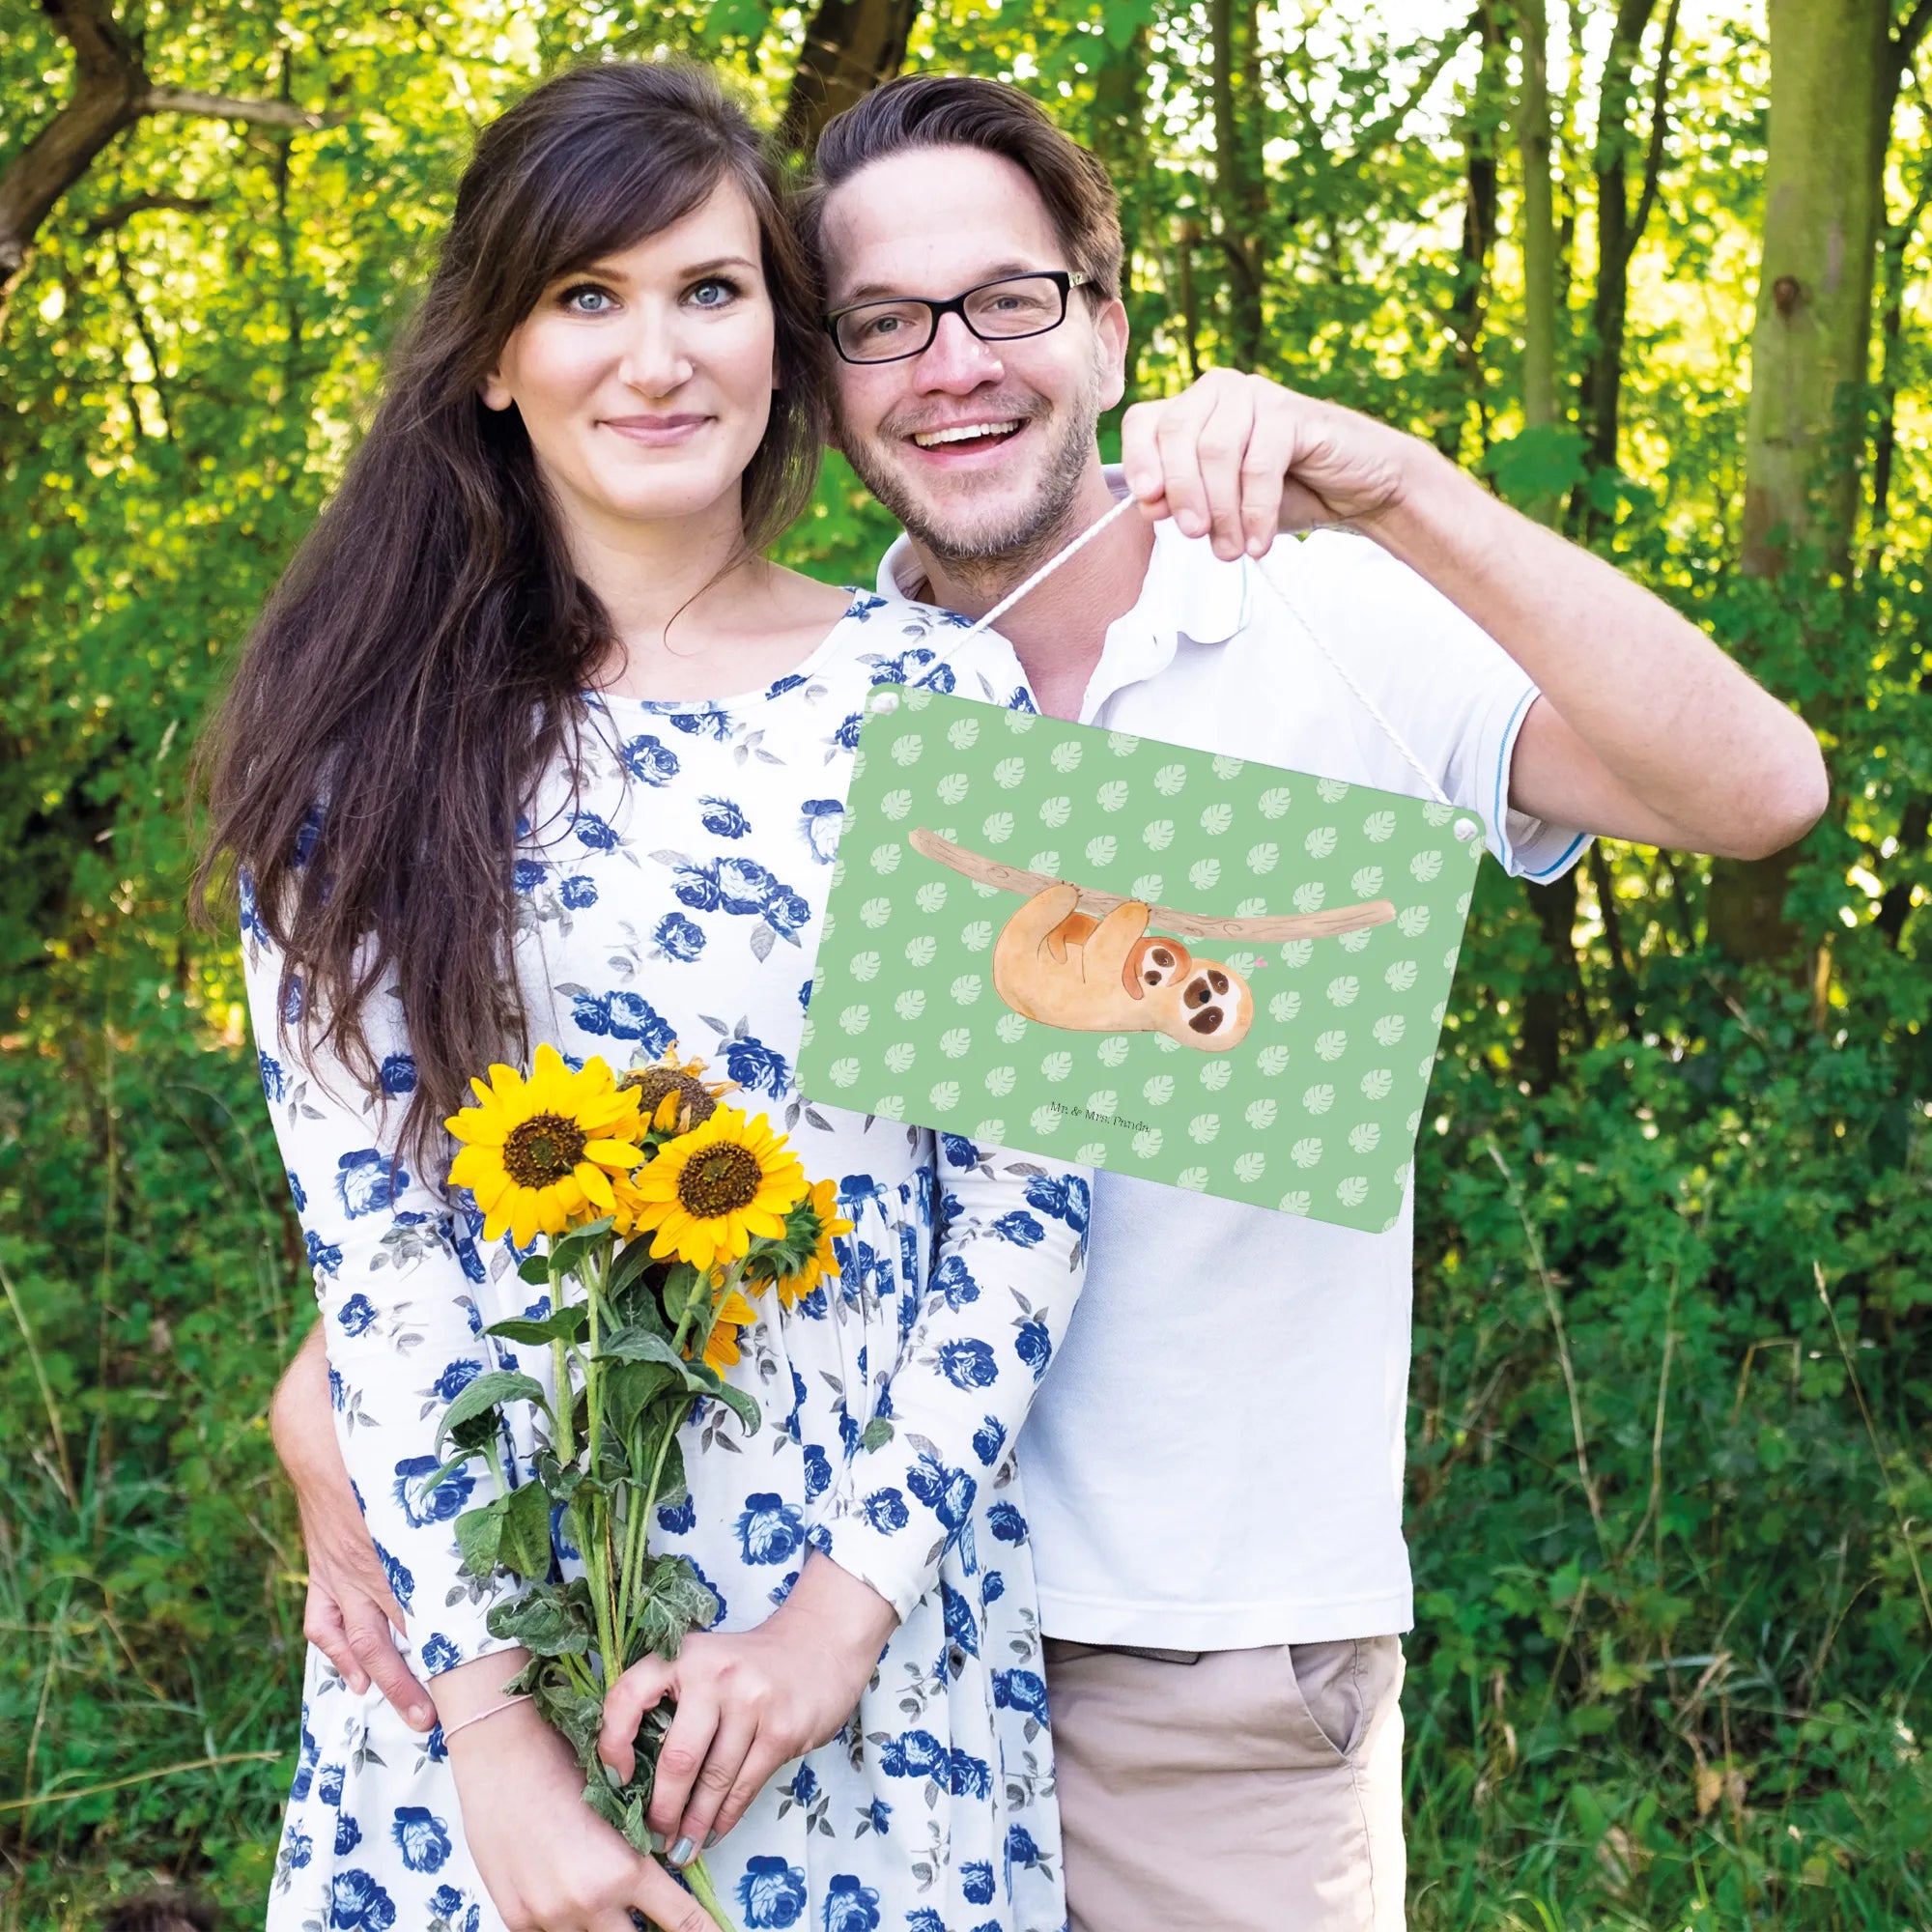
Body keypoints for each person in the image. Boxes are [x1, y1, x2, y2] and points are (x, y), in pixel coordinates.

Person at [272, 66, 1829, 1932]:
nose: (954, 364)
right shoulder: (827, 695)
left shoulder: (1288, 622)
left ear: (1108, 324)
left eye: (1007, 300)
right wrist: (341, 1398)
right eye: (884, 322)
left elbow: (1761, 792)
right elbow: (572, 1136)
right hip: (733, 1628)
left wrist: (1396, 482)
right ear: (825, 368)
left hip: (1181, 1658)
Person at [202, 61, 1086, 1932]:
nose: (658, 356)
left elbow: (1023, 1208)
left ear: (783, 336)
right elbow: (382, 1255)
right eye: (586, 296)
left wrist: (833, 1626)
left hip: (860, 1662)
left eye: (711, 290)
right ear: (493, 356)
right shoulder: (364, 747)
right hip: (476, 1661)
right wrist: (493, 1744)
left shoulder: (943, 701)